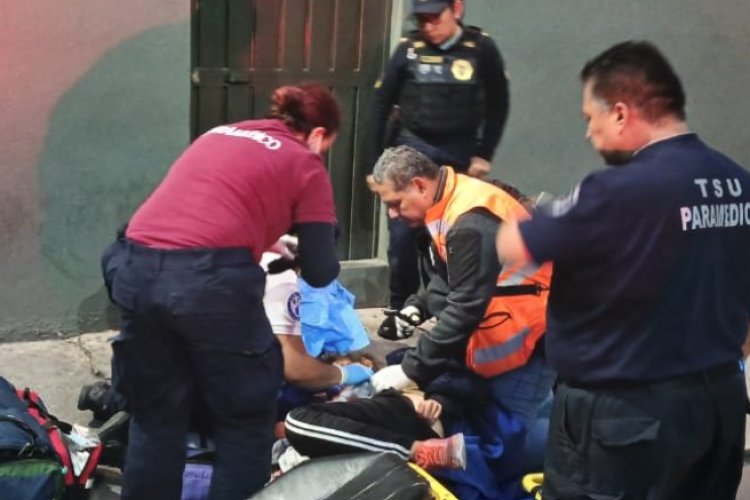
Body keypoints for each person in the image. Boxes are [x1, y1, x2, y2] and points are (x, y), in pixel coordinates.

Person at [496, 41, 750, 500]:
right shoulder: (738, 182)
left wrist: (531, 214)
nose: (588, 135)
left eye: (589, 120)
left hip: (625, 416)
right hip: (718, 404)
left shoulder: (619, 190)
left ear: (620, 113)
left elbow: (515, 245)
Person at [101, 83, 343, 500]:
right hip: (207, 284)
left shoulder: (221, 133)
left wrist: (266, 238)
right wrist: (305, 251)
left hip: (134, 266)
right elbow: (322, 272)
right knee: (244, 424)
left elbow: (202, 212)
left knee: (157, 419)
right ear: (319, 135)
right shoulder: (304, 162)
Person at [367, 145, 555, 435]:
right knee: (527, 421)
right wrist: (418, 306)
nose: (392, 215)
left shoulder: (470, 222)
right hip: (514, 338)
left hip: (526, 344)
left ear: (419, 185)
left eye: (396, 203)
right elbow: (452, 274)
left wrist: (410, 370)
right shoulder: (455, 200)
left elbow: (465, 306)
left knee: (510, 444)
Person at [370, 0, 510, 339]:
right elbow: (380, 105)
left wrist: (483, 154)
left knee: (448, 234)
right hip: (412, 145)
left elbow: (498, 103)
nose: (428, 26)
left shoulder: (480, 49)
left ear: (456, 9)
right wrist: (375, 167)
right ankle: (401, 306)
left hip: (458, 152)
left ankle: (446, 306)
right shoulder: (409, 50)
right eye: (422, 19)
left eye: (435, 17)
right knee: (403, 233)